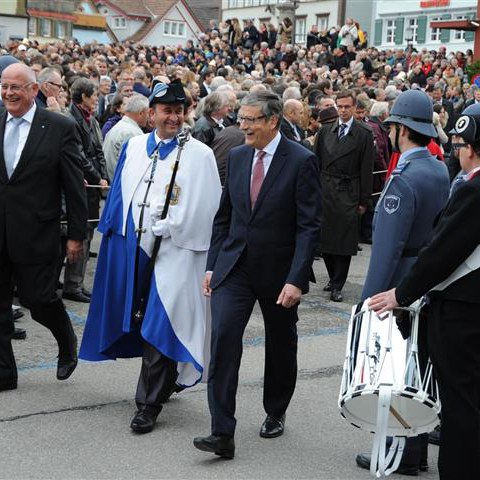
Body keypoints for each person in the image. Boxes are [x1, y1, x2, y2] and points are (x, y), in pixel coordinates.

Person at [79, 80, 222, 434]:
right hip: (133, 250)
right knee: (139, 318)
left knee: (161, 321)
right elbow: (119, 196)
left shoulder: (199, 154)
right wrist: (112, 237)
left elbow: (208, 207)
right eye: (165, 111)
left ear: (185, 113)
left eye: (178, 111)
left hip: (175, 252)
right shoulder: (134, 146)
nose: (172, 117)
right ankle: (163, 381)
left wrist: (174, 225)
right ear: (152, 113)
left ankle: (147, 404)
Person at [193, 91, 321, 459]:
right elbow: (224, 217)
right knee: (223, 340)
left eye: (250, 120)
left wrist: (297, 278)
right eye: (241, 119)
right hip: (235, 268)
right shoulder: (236, 157)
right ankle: (221, 432)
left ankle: (275, 410)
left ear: (272, 121)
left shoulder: (301, 161)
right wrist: (213, 264)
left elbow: (309, 226)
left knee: (281, 344)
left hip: (279, 273)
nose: (243, 126)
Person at [369, 111, 480, 480]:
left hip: (462, 311)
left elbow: (442, 251)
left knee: (461, 408)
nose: (457, 153)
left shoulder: (472, 189)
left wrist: (400, 293)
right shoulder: (447, 176)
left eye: (461, 145)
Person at [355, 89, 450, 475]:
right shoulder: (438, 168)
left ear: (399, 130)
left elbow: (387, 249)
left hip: (401, 282)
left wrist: (369, 300)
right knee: (419, 366)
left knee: (398, 373)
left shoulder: (404, 179)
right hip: (427, 279)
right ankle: (415, 448)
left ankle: (405, 452)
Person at [0, 63, 87, 391]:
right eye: (4, 86)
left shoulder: (58, 127)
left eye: (16, 87)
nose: (9, 93)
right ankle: (5, 373)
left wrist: (77, 234)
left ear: (34, 90)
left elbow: (74, 186)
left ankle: (66, 340)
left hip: (37, 233)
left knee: (38, 300)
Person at [313, 90, 375, 302]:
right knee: (326, 241)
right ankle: (332, 278)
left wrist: (364, 200)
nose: (344, 110)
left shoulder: (364, 133)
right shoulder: (325, 131)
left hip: (349, 191)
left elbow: (367, 169)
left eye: (347, 106)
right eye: (340, 106)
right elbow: (316, 163)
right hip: (326, 190)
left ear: (355, 107)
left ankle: (338, 284)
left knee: (344, 242)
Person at [103, 94, 149, 180]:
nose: (148, 117)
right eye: (147, 113)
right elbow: (134, 168)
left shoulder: (121, 127)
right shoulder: (132, 133)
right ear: (141, 113)